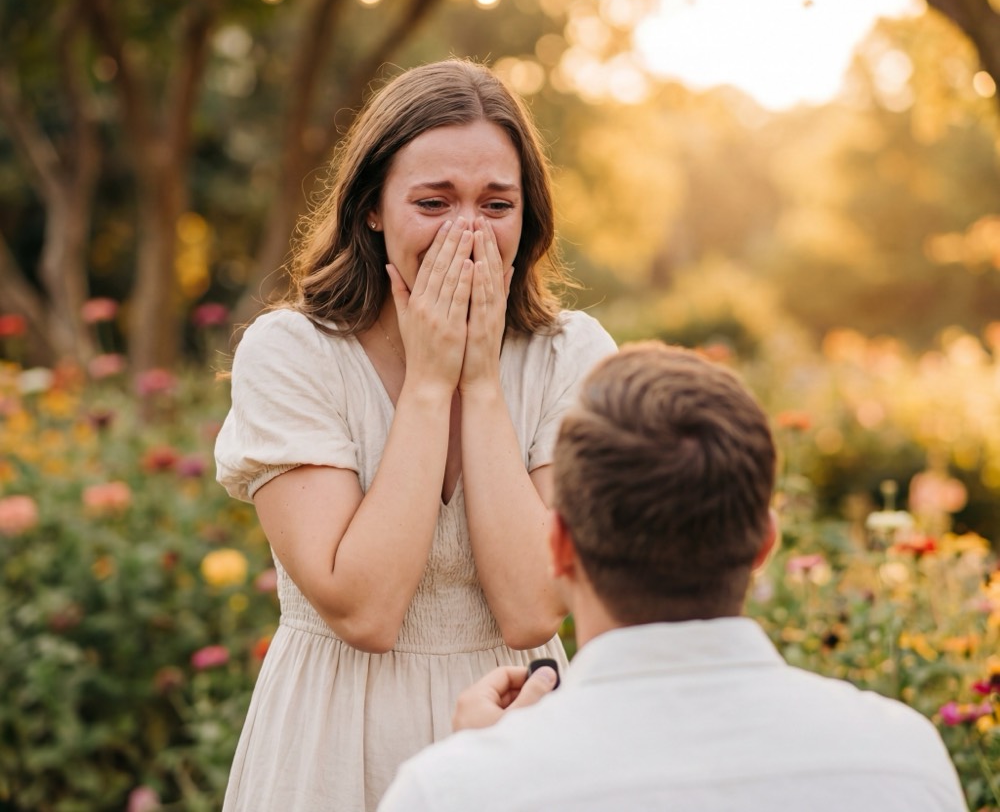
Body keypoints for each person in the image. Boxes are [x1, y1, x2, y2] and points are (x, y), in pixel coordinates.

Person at [213, 58, 618, 812]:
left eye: (496, 205)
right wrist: (430, 384)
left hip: (517, 732)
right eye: (433, 202)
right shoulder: (291, 354)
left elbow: (533, 607)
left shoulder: (573, 353)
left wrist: (478, 380)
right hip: (336, 737)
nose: (467, 232)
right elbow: (364, 609)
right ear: (371, 208)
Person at [378, 342, 969, 812]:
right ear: (766, 540)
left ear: (559, 547)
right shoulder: (903, 760)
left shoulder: (452, 790)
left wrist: (484, 765)